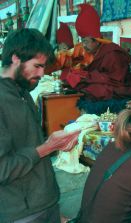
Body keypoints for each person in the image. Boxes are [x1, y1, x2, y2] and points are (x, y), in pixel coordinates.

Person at [0, 28, 80, 223]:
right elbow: (3, 169)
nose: (42, 73)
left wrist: (56, 146)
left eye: (43, 67)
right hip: (22, 211)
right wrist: (47, 147)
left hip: (46, 201)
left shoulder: (23, 91)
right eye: (37, 66)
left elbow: (29, 145)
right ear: (16, 58)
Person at [61, 3, 131, 101]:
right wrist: (83, 75)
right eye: (82, 41)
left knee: (95, 90)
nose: (84, 45)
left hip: (120, 85)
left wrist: (88, 76)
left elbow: (117, 79)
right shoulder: (92, 51)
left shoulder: (112, 53)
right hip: (104, 82)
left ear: (96, 40)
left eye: (86, 41)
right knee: (77, 82)